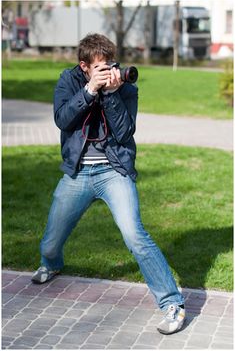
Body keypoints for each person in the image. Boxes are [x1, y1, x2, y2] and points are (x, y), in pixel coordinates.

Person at [32, 33, 186, 335]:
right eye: (101, 68)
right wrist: (90, 91)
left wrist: (113, 94)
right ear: (84, 67)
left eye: (111, 65)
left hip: (113, 171)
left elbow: (125, 132)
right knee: (50, 243)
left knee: (135, 235)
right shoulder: (69, 82)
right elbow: (63, 120)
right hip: (77, 173)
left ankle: (172, 304)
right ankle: (51, 264)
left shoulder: (125, 87)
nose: (109, 72)